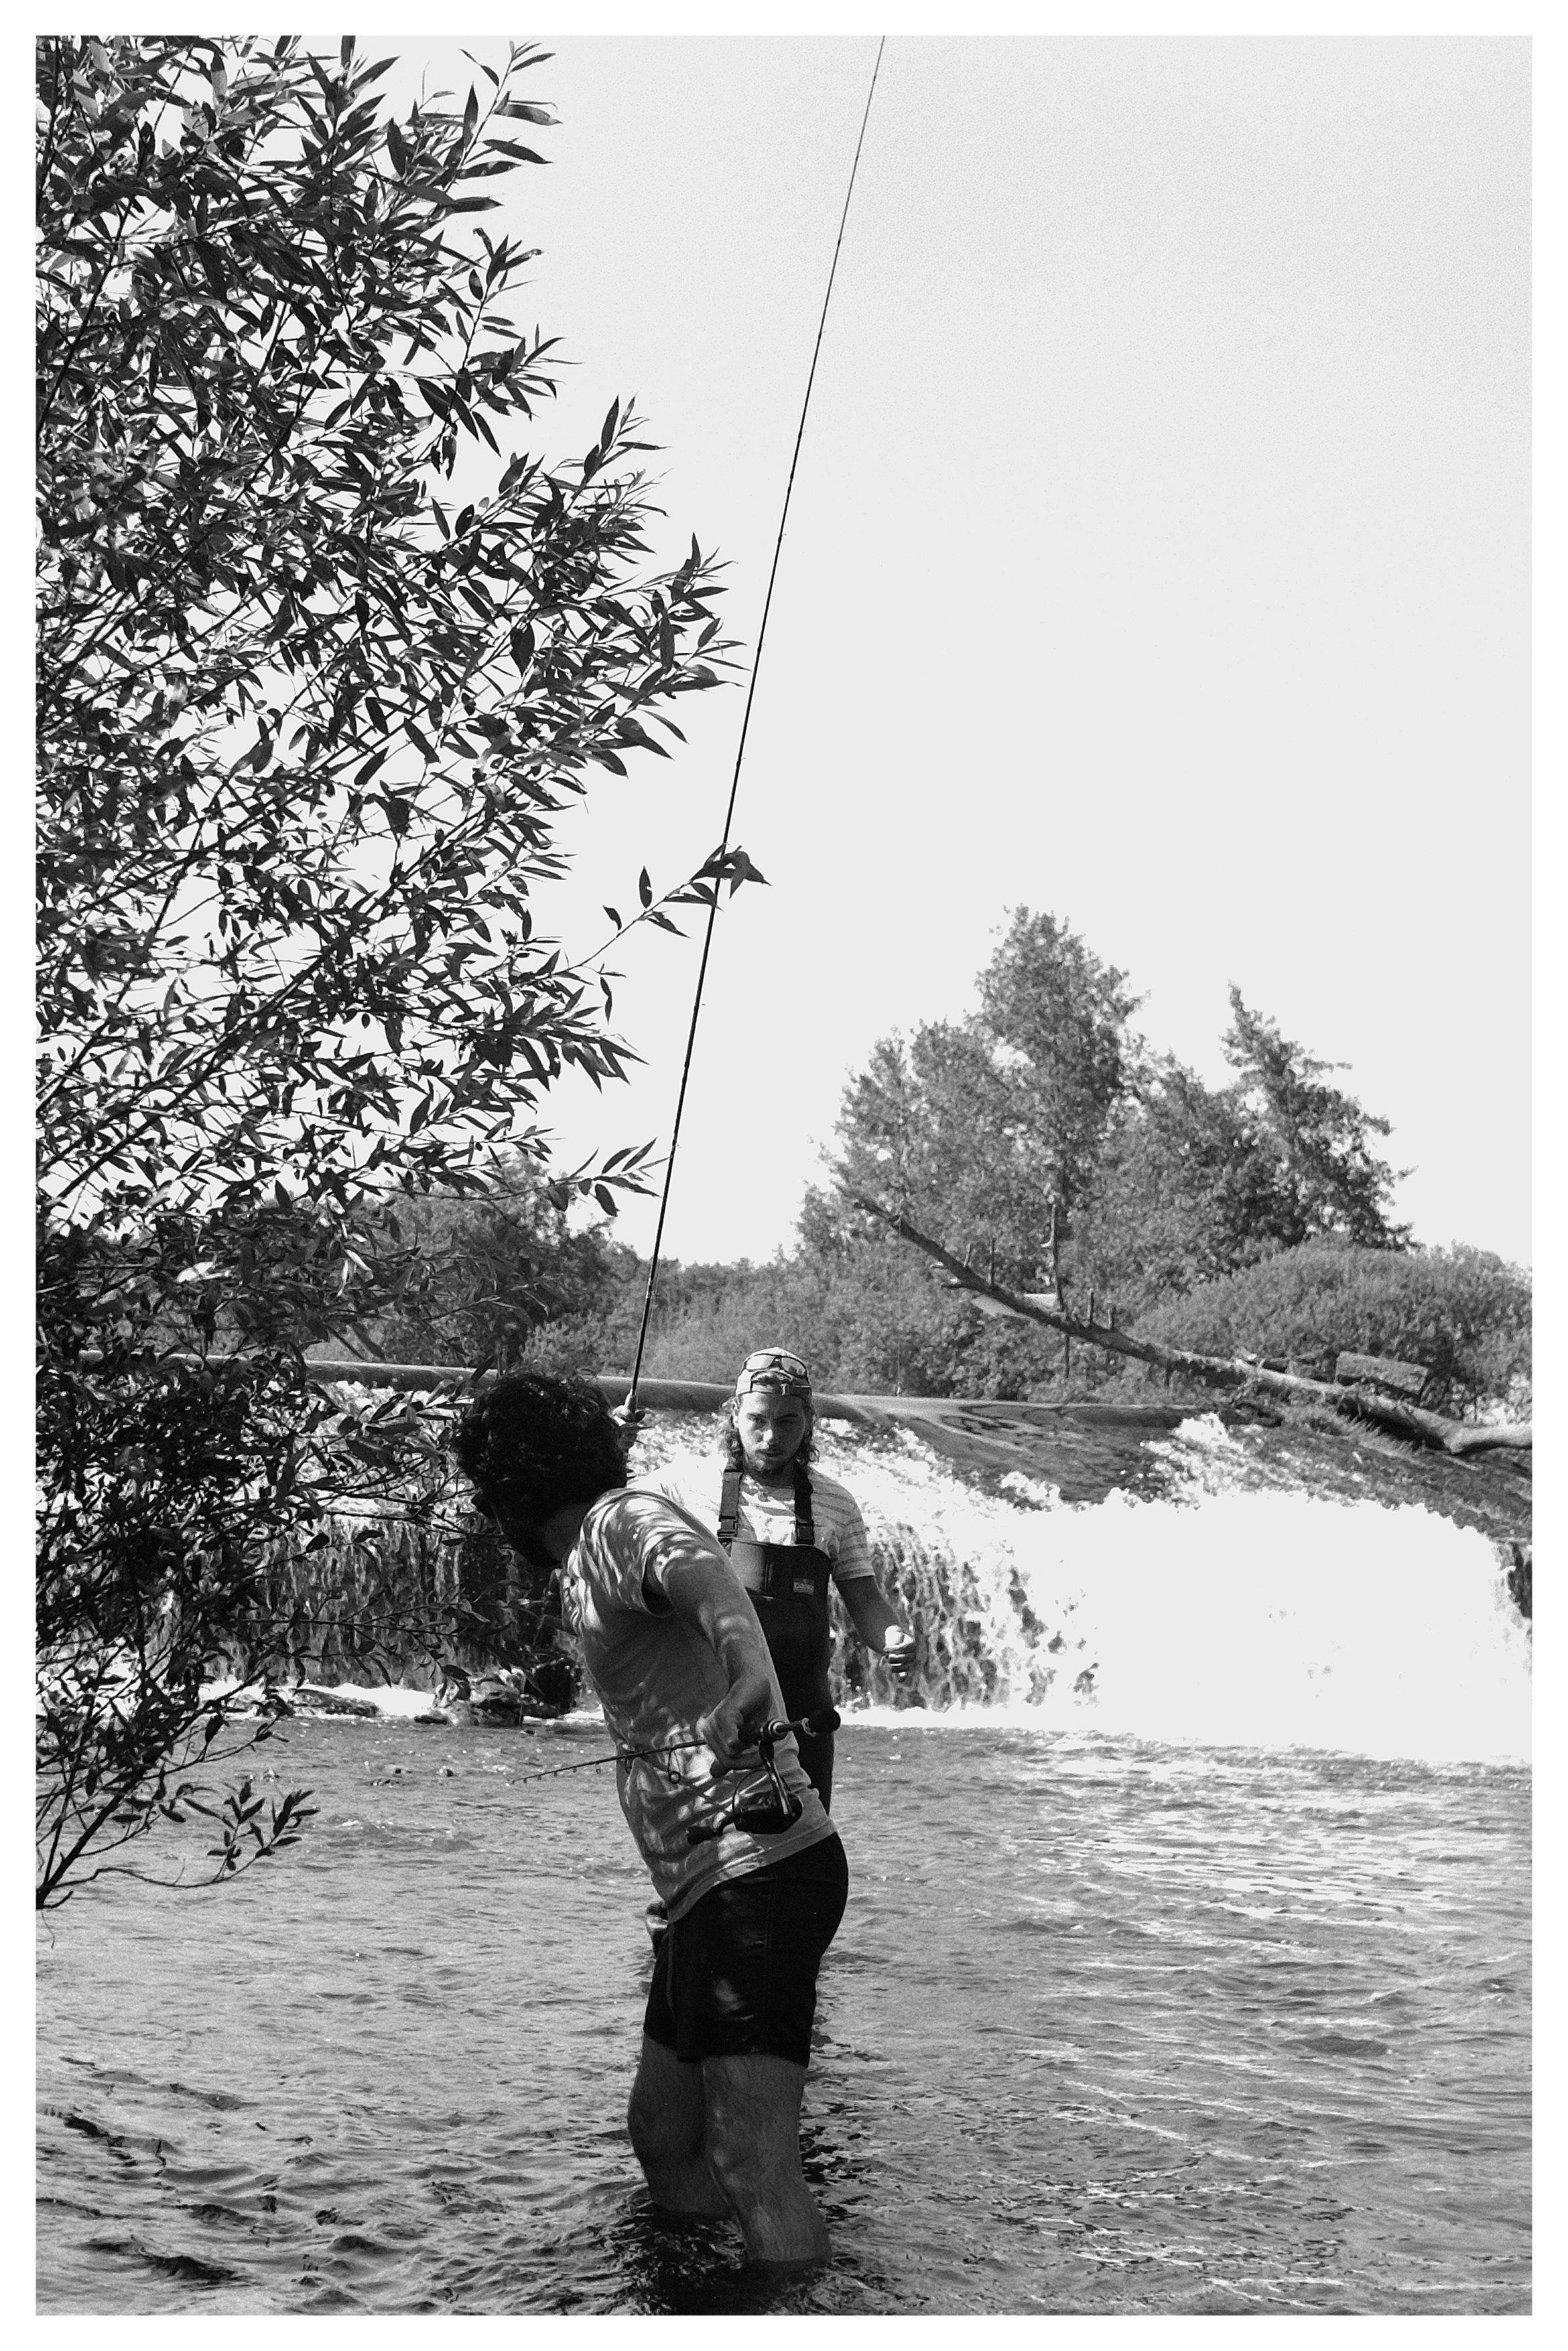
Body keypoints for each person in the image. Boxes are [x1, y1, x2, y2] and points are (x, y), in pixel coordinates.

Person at [450, 1370, 848, 2271]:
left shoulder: (618, 1520)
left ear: (508, 1493)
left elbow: (699, 1572)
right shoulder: (606, 1528)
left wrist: (749, 1669)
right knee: (664, 2133)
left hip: (759, 1867)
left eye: (487, 1497)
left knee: (752, 2158)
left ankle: (797, 2306)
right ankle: (700, 2292)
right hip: (708, 1887)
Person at [641, 1347, 915, 1809]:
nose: (772, 1436)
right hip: (709, 1714)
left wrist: (892, 1636)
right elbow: (607, 1511)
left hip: (804, 1720)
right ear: (734, 1414)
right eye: (758, 1420)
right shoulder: (681, 1485)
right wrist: (617, 1441)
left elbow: (865, 1598)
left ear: (809, 1420)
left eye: (788, 1421)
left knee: (804, 1859)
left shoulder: (837, 1504)